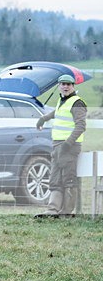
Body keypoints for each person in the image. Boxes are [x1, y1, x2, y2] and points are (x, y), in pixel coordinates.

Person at [36, 74, 87, 217]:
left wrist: (68, 143)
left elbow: (81, 126)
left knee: (68, 179)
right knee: (55, 178)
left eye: (68, 84)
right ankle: (52, 211)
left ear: (73, 86)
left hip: (69, 147)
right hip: (57, 145)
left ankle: (66, 212)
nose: (65, 86)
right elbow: (57, 112)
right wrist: (44, 118)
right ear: (59, 86)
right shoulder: (62, 101)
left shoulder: (77, 103)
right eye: (63, 84)